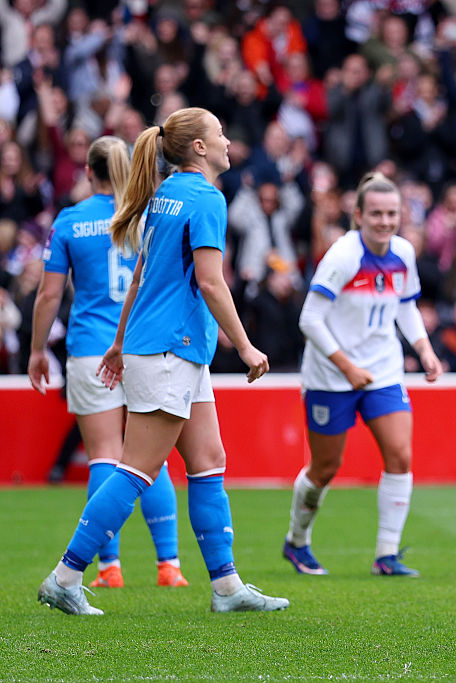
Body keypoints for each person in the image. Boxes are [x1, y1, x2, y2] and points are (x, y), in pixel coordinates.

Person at [36, 107, 289, 615]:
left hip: (167, 347)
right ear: (199, 147)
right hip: (170, 349)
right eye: (220, 134)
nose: (228, 142)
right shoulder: (205, 198)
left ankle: (226, 586)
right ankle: (64, 576)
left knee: (208, 460)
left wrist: (117, 341)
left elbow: (141, 278)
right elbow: (212, 282)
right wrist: (245, 346)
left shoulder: (163, 196)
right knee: (136, 469)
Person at [28, 135, 188, 590]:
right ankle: (169, 565)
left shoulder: (72, 221)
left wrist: (38, 350)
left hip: (90, 349)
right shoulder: (145, 215)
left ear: (87, 172)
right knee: (147, 459)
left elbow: (49, 294)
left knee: (106, 455)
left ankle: (108, 567)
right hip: (144, 345)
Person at [282, 172, 442, 577]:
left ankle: (386, 555)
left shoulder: (403, 253)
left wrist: (424, 350)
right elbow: (310, 319)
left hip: (383, 370)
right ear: (358, 215)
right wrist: (348, 368)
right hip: (332, 376)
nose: (385, 222)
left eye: (392, 214)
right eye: (376, 214)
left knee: (400, 455)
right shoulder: (342, 257)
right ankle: (297, 542)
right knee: (325, 467)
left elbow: (405, 305)